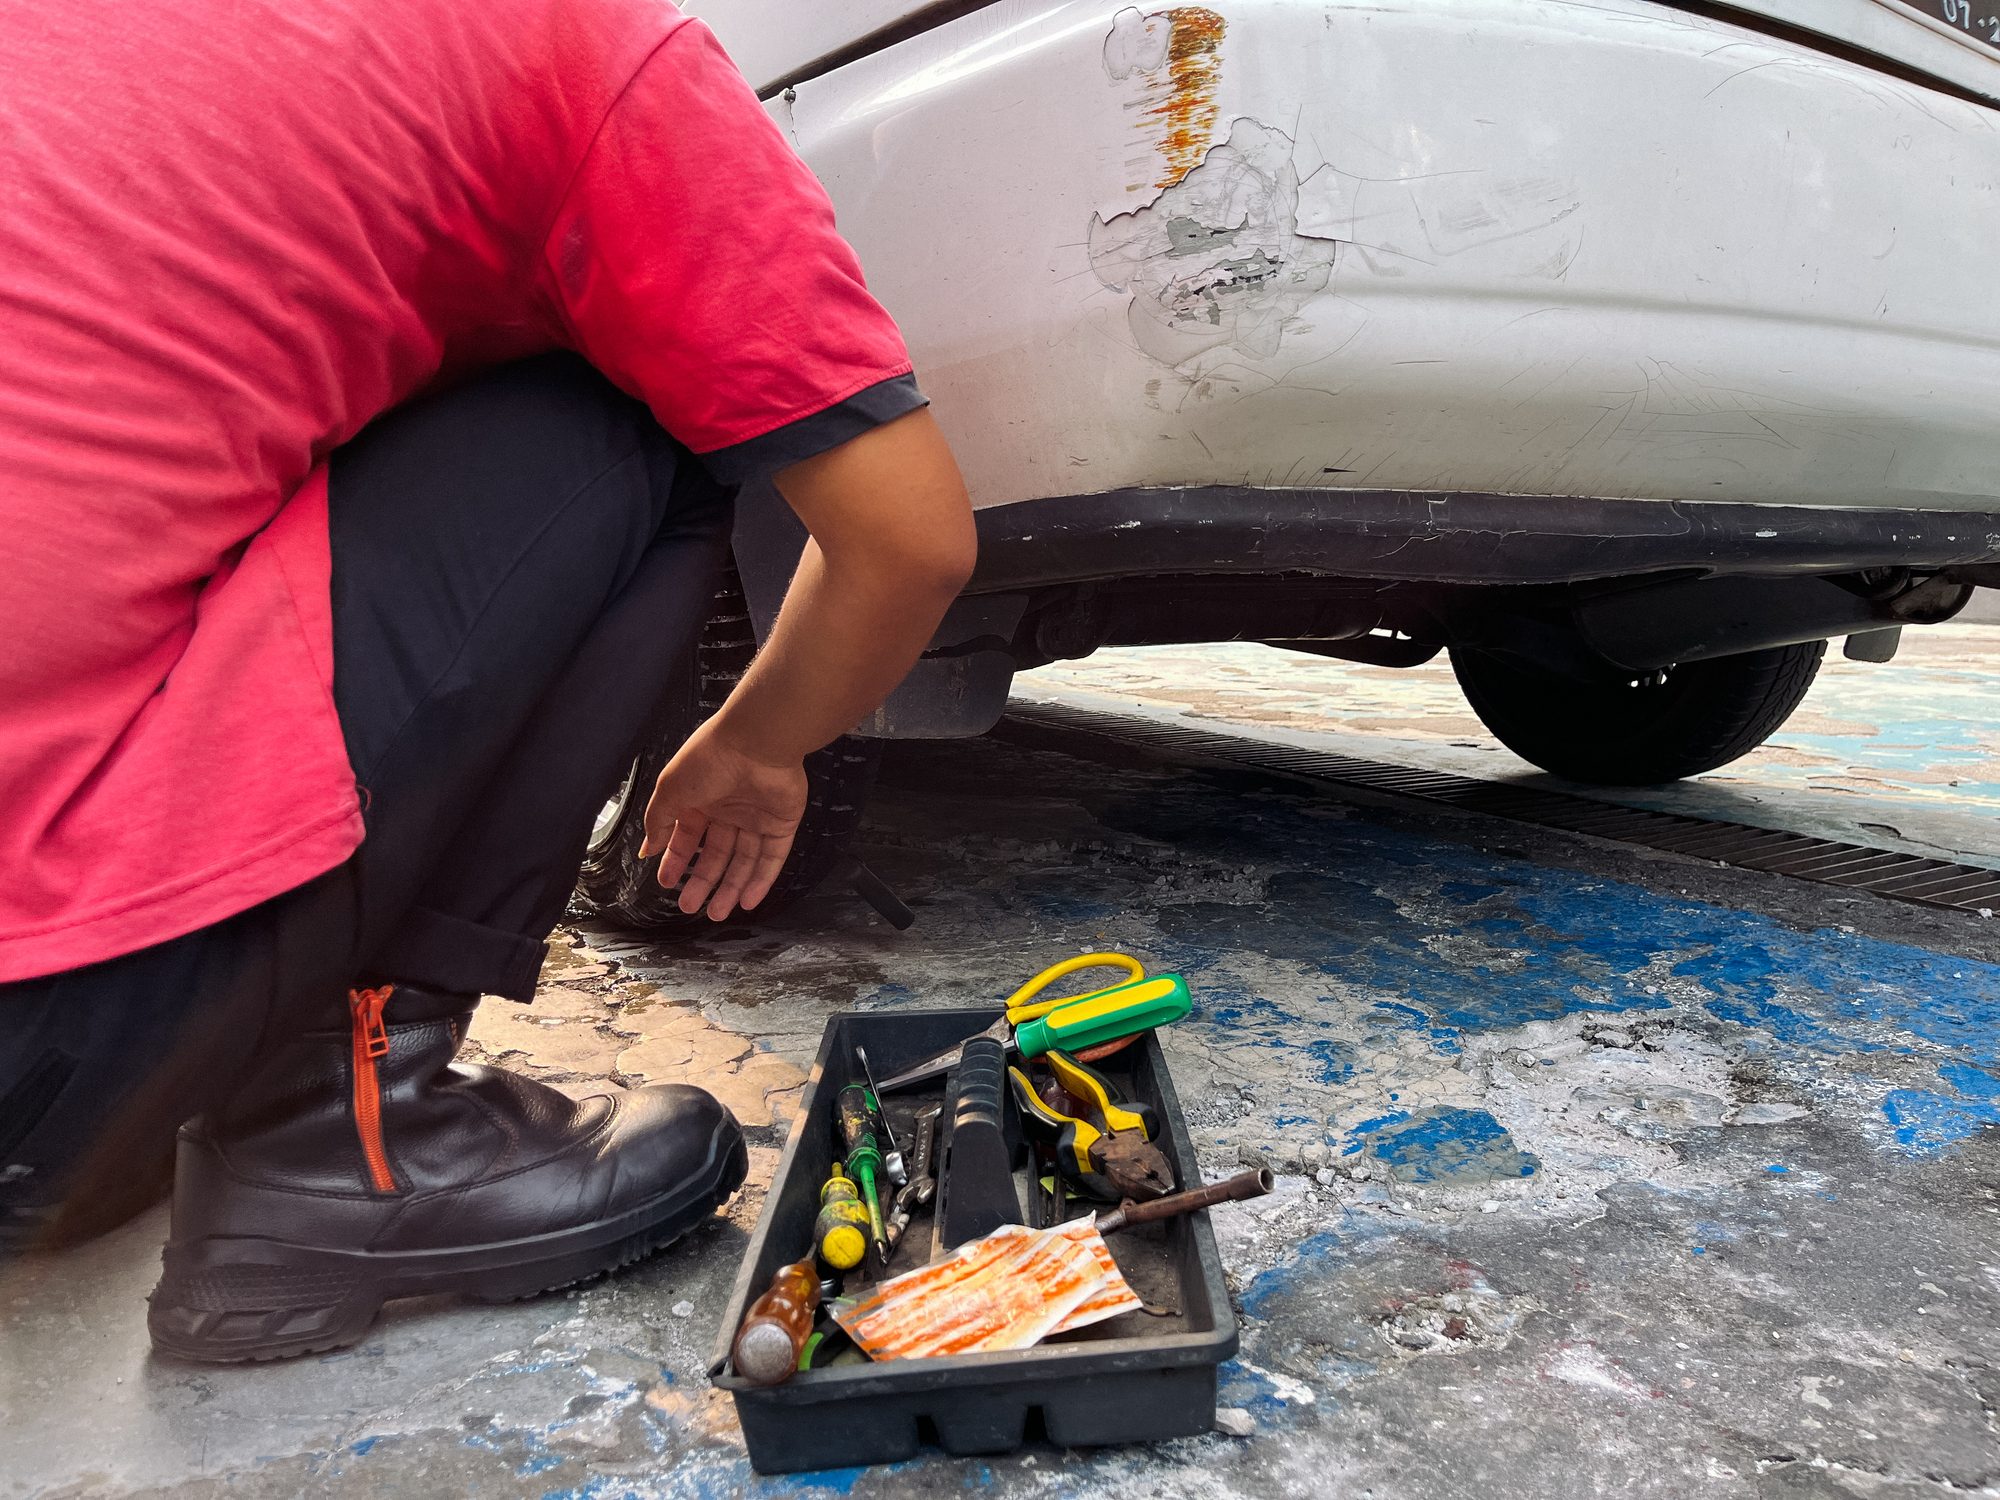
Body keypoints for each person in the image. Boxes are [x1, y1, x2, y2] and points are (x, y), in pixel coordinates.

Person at [0, 0, 977, 1361]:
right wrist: (757, 745)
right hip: (37, 1046)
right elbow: (910, 540)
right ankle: (344, 1138)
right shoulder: (579, 45)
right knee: (634, 396)